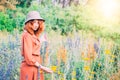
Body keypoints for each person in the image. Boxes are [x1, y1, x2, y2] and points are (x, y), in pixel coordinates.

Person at [20, 11, 53, 80]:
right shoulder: (27, 35)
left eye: (38, 22)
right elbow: (29, 58)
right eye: (34, 22)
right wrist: (42, 67)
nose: (36, 25)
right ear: (29, 23)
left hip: (36, 67)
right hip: (29, 68)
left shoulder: (32, 35)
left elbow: (33, 47)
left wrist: (41, 40)